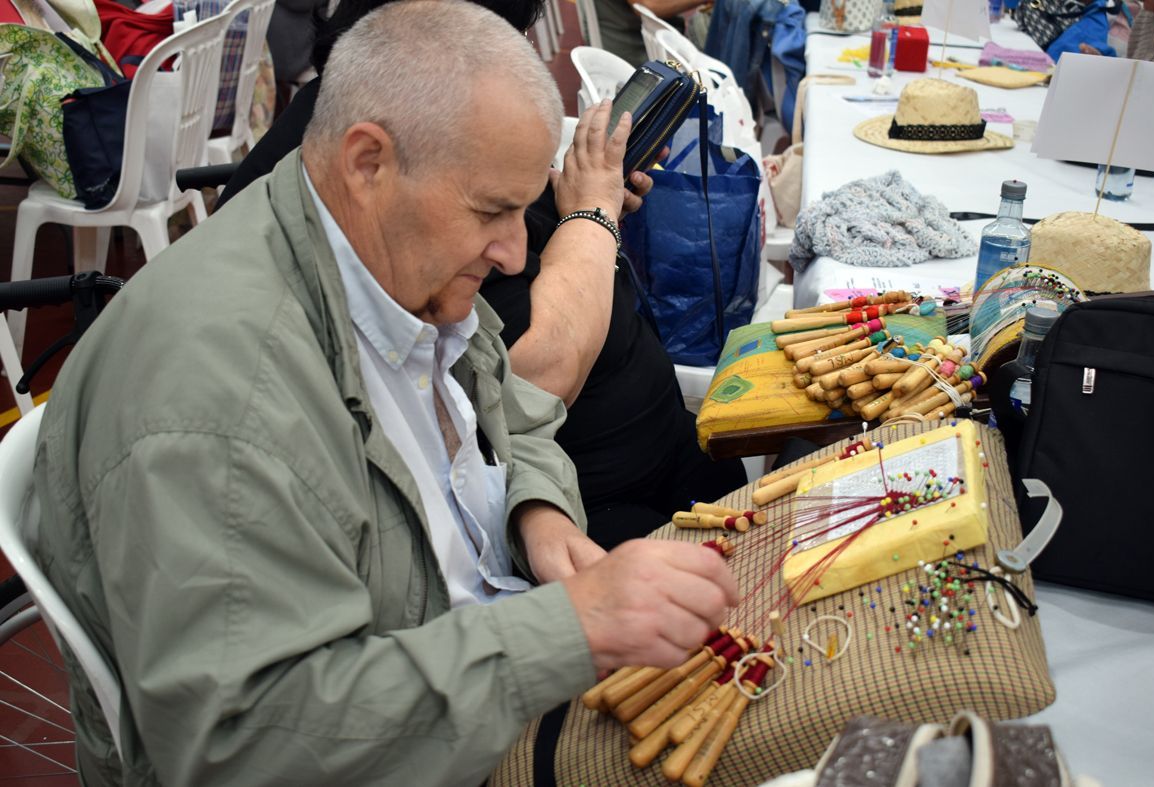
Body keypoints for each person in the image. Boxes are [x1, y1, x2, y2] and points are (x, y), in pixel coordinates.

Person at [31, 3, 739, 784]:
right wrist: (573, 625)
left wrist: (531, 508)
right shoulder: (218, 403)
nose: (513, 254)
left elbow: (512, 408)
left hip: (471, 666)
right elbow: (250, 742)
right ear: (367, 161)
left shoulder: (382, 258)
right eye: (492, 211)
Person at [219, 0, 748, 551]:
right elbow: (529, 380)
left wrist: (574, 201)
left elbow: (484, 383)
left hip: (621, 470)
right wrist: (590, 214)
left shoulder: (423, 128)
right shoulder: (391, 180)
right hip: (603, 505)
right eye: (513, 40)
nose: (512, 253)